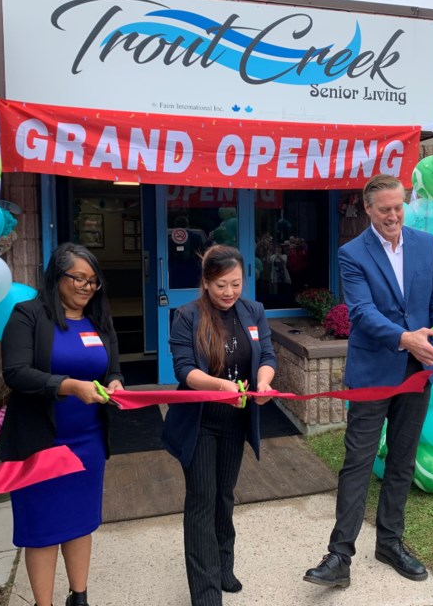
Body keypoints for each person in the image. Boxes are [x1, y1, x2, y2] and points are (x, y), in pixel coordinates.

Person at [304, 173, 433, 588]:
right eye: (385, 209)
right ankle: (340, 556)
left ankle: (390, 542)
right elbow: (362, 313)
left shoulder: (425, 245)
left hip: (417, 374)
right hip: (373, 373)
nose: (393, 215)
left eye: (399, 207)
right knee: (357, 462)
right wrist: (406, 339)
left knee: (402, 460)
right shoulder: (352, 253)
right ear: (369, 209)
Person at [0, 242, 124, 606]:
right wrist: (68, 386)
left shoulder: (99, 318)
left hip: (88, 441)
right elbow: (16, 373)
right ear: (56, 276)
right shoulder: (28, 315)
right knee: (42, 530)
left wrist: (115, 382)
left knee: (81, 521)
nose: (86, 287)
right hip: (40, 444)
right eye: (78, 279)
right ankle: (44, 603)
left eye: (93, 281)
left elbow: (111, 367)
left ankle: (79, 596)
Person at [161, 244, 278, 606]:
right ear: (206, 282)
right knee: (201, 500)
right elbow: (184, 370)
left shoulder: (253, 311)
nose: (229, 293)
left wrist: (263, 381)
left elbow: (268, 356)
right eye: (221, 285)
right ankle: (206, 591)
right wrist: (220, 386)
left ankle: (224, 565)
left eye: (236, 284)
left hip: (236, 420)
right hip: (200, 421)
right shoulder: (187, 315)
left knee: (224, 496)